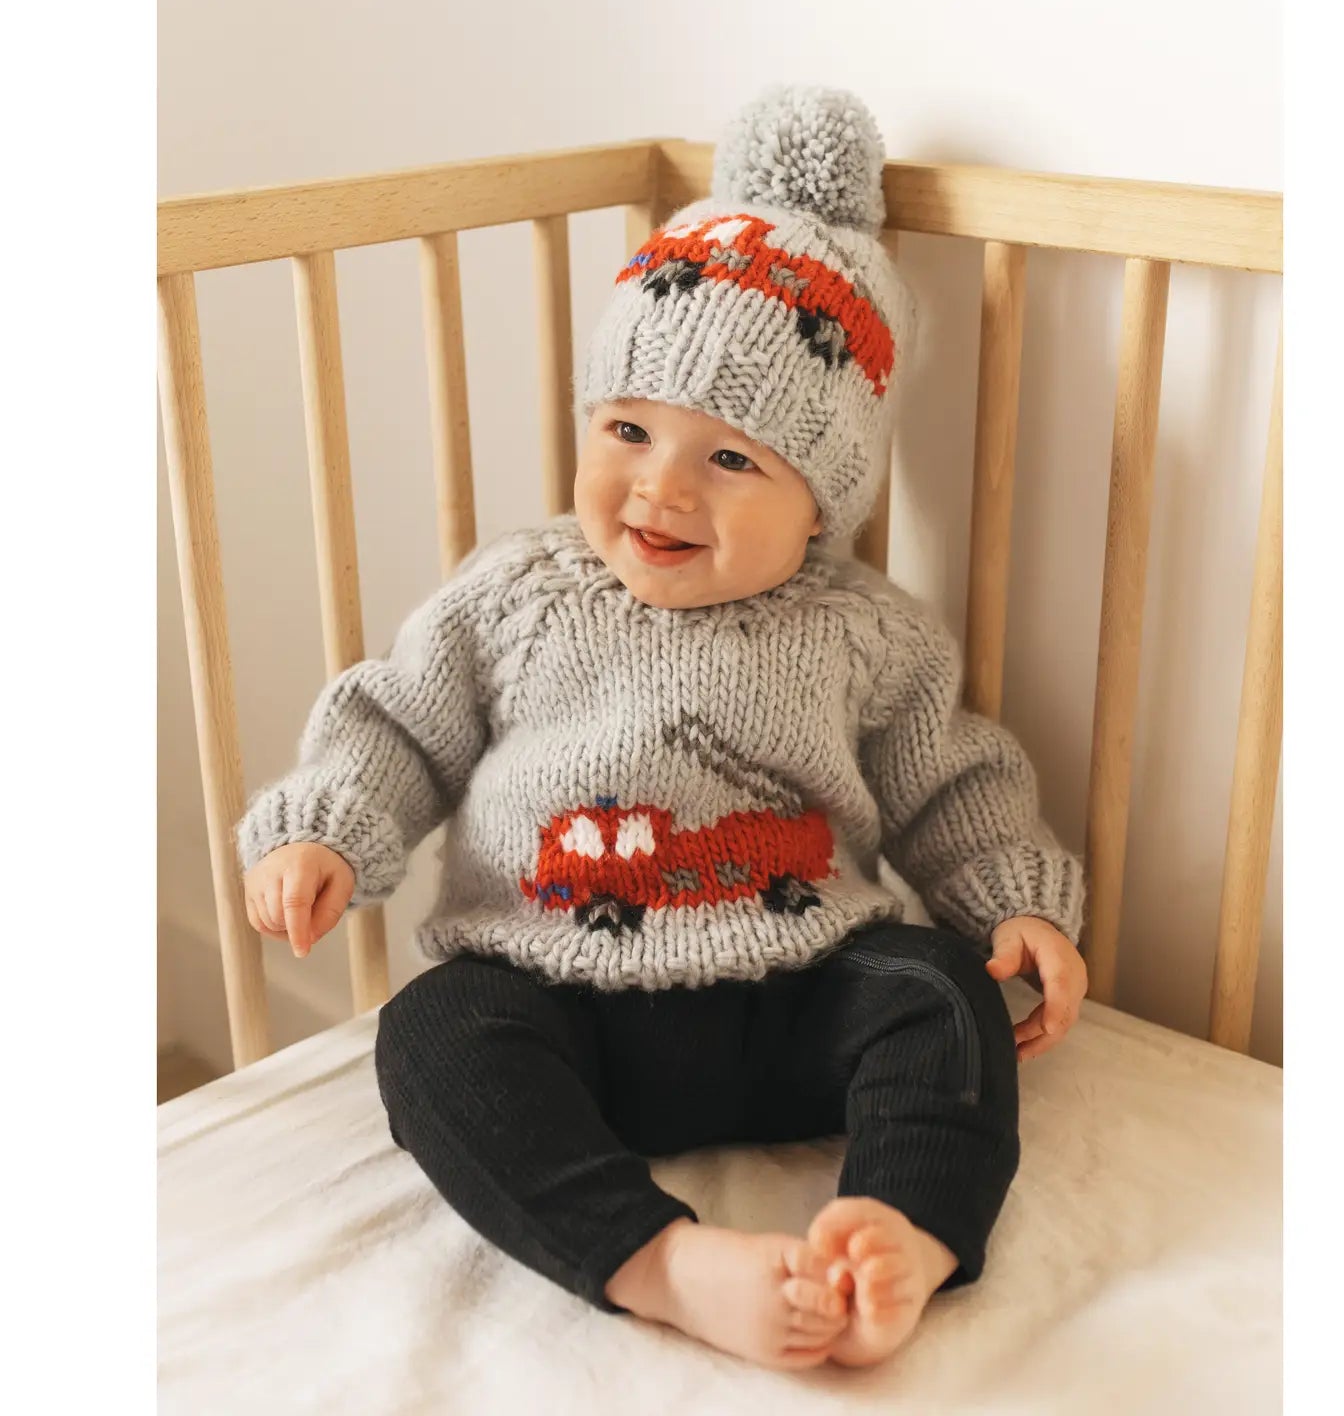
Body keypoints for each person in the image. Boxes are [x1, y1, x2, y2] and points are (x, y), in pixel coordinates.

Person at [236, 85, 1087, 1371]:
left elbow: (948, 783)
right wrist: (332, 831)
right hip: (559, 998)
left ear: (823, 503)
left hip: (798, 992)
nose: (660, 486)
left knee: (938, 993)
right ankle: (660, 1261)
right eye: (628, 429)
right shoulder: (518, 593)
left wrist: (1010, 900)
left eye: (731, 460)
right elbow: (402, 725)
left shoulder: (865, 631)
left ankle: (904, 1230)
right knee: (432, 1037)